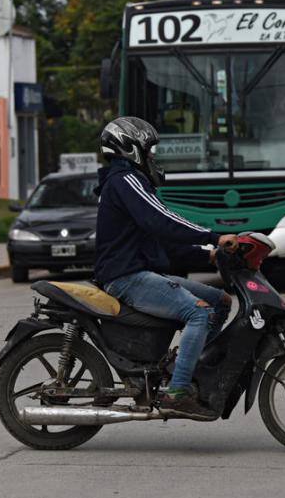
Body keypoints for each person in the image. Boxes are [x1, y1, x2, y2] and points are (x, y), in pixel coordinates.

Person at [93, 116, 238, 420]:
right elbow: (164, 221)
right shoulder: (125, 180)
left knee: (220, 301)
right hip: (126, 278)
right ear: (130, 148)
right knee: (199, 312)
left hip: (140, 273)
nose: (153, 158)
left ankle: (188, 368)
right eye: (150, 151)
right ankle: (177, 392)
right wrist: (214, 237)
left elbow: (160, 241)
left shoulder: (126, 183)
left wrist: (207, 256)